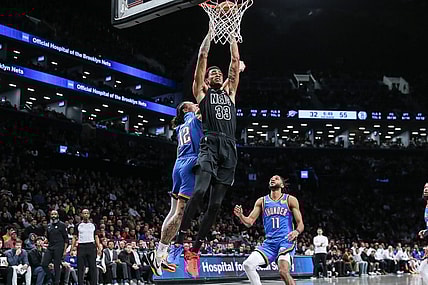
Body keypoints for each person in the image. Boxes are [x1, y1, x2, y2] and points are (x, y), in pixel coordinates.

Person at [174, 26, 243, 278]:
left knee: (215, 206)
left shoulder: (231, 94)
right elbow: (203, 57)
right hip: (210, 143)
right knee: (200, 191)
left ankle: (195, 249)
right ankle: (181, 237)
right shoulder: (202, 94)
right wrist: (213, 29)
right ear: (205, 80)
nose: (216, 73)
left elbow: (235, 62)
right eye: (212, 72)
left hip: (230, 147)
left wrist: (233, 32)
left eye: (218, 72)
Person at [146, 101, 202, 276]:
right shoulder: (193, 119)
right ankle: (159, 253)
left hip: (178, 165)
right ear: (186, 110)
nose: (195, 104)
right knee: (180, 213)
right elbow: (208, 108)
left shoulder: (179, 127)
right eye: (191, 104)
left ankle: (160, 255)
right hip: (190, 162)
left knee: (172, 211)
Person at [234, 175, 304, 285]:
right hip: (269, 243)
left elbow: (300, 223)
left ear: (281, 184)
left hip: (285, 241)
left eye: (276, 178)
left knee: (283, 271)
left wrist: (297, 231)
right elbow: (250, 222)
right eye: (271, 178)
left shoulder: (290, 199)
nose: (272, 179)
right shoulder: (262, 201)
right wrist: (241, 216)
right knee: (248, 265)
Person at [71, 209, 101, 285]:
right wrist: (72, 249)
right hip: (81, 246)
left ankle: (94, 283)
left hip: (91, 246)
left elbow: (96, 237)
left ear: (89, 215)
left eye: (87, 213)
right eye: (84, 213)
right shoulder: (78, 225)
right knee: (80, 267)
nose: (86, 215)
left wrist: (99, 248)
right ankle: (80, 283)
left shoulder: (93, 225)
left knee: (93, 267)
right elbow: (74, 237)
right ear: (81, 215)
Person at [42, 210, 68, 285]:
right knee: (44, 264)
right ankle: (52, 278)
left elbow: (66, 239)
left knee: (57, 266)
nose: (53, 215)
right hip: (50, 247)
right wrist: (45, 241)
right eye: (52, 214)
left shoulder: (62, 225)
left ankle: (57, 282)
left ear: (58, 215)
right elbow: (48, 238)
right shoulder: (48, 225)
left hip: (59, 247)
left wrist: (64, 250)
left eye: (55, 214)